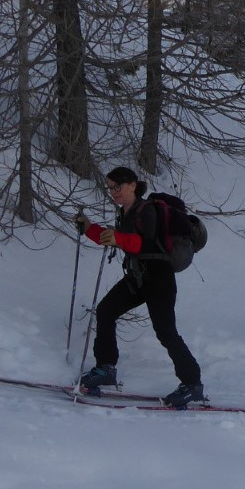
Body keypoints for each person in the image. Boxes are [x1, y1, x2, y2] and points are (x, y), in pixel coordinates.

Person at [73, 167, 206, 408]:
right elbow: (116, 238)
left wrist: (118, 238)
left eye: (118, 186)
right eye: (110, 187)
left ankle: (193, 384)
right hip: (137, 278)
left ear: (133, 185)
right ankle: (106, 368)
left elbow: (144, 242)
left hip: (159, 277)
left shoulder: (148, 210)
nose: (114, 192)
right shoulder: (125, 213)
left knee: (165, 331)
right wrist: (89, 228)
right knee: (105, 311)